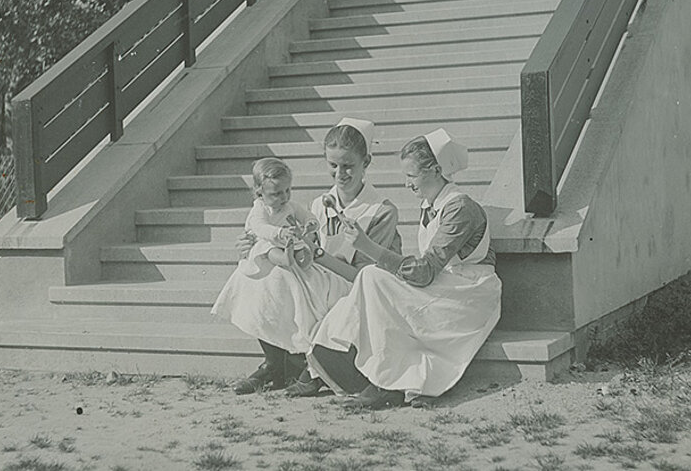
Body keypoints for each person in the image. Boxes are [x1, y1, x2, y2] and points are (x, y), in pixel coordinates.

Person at [298, 128, 502, 409]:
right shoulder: (431, 205)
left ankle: (380, 380)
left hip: (467, 294)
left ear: (434, 170)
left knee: (371, 276)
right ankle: (336, 358)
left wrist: (369, 248)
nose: (407, 184)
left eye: (411, 176)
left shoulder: (460, 207)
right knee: (372, 279)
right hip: (445, 286)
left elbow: (425, 270)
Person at [212, 117, 403, 395]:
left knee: (278, 274)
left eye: (348, 166)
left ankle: (294, 363)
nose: (340, 174)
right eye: (333, 166)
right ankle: (274, 362)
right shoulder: (318, 204)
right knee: (253, 269)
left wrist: (318, 254)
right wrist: (251, 245)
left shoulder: (380, 210)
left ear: (367, 162)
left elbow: (367, 278)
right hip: (317, 276)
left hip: (350, 286)